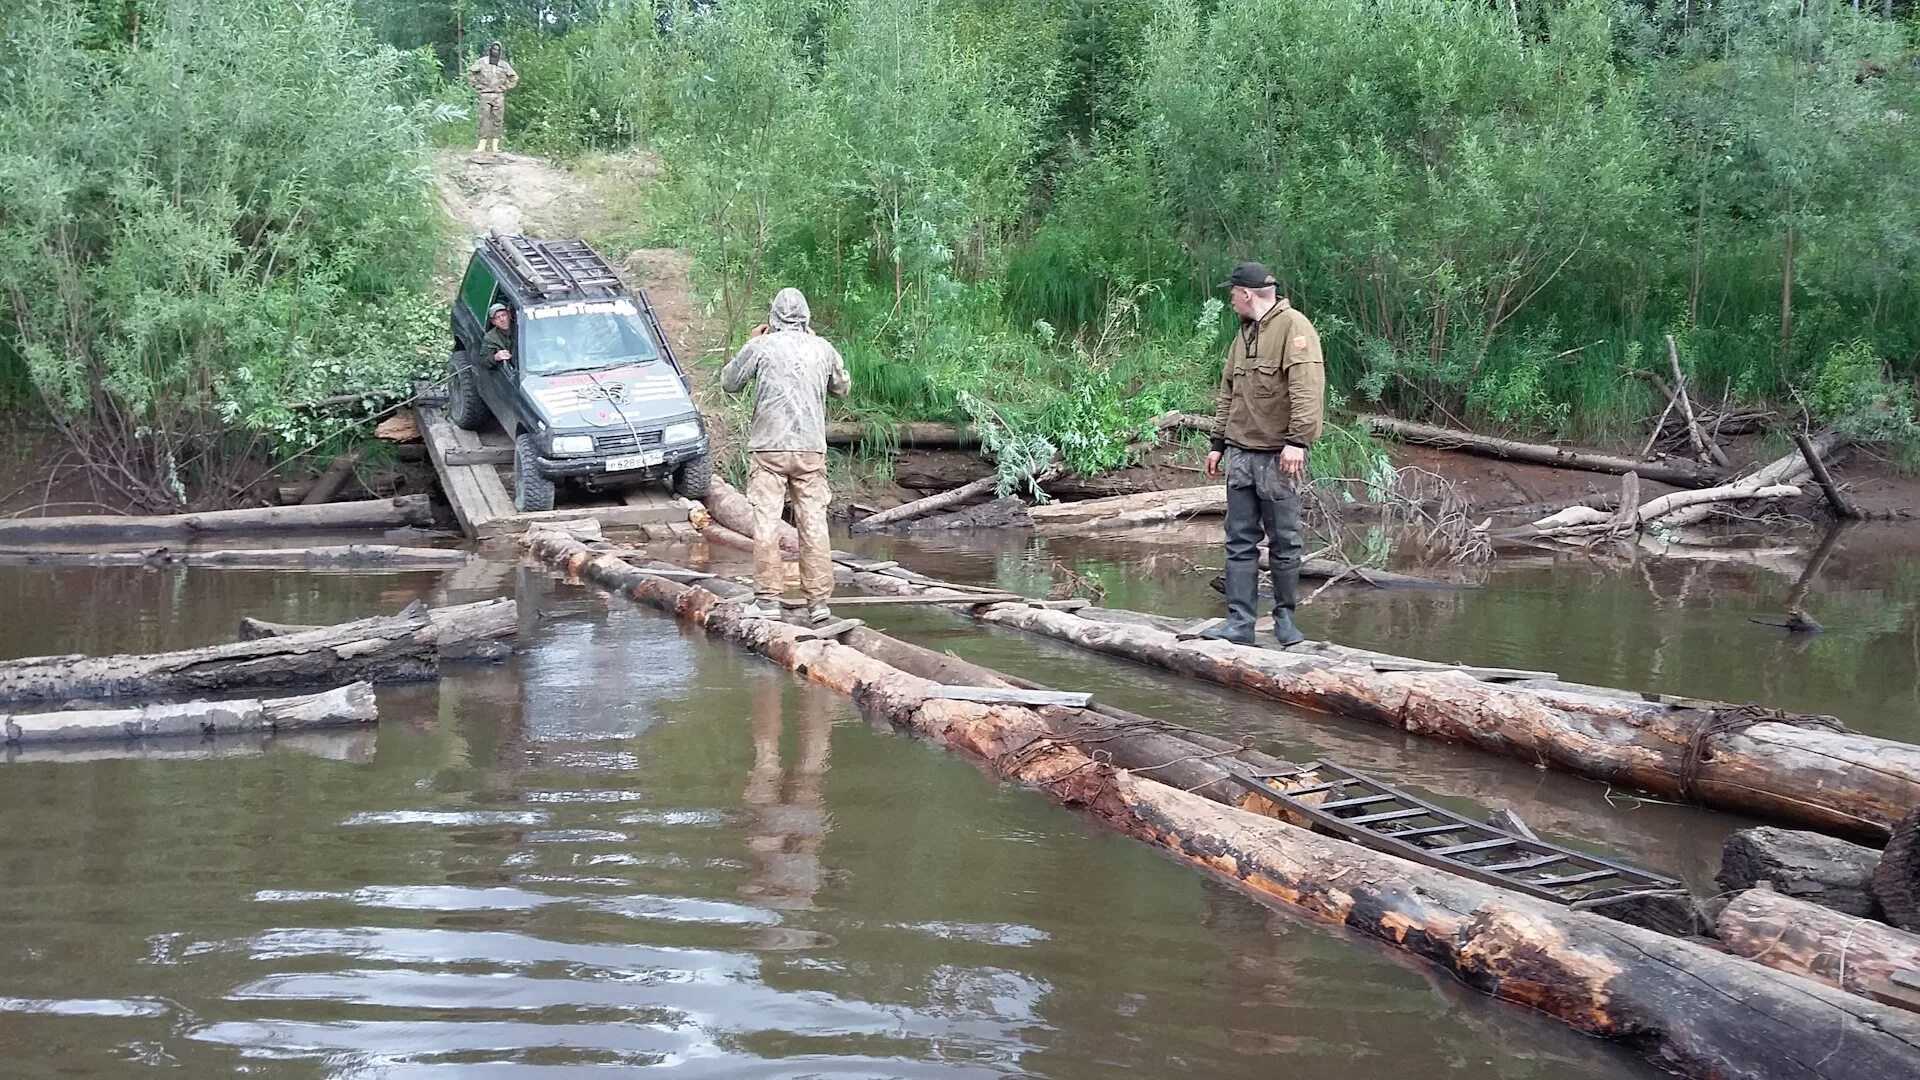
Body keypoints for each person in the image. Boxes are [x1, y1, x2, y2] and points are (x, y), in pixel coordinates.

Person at [1201, 261, 1326, 647]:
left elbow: (1308, 390)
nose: (1231, 301)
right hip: (1240, 454)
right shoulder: (1243, 335)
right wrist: (1217, 443)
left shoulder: (1295, 328)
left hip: (1278, 457)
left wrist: (1298, 442)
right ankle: (1240, 622)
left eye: (1232, 294)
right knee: (1238, 540)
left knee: (1284, 541)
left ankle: (1284, 621)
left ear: (1247, 293)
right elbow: (1228, 392)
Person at [720, 288, 851, 626]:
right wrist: (819, 347)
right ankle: (819, 604)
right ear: (806, 317)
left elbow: (729, 382)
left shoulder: (760, 346)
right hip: (811, 450)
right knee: (814, 524)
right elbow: (842, 388)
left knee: (766, 521)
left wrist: (749, 342)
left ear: (772, 318)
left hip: (768, 449)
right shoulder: (822, 348)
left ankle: (766, 601)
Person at [466, 41, 518, 155]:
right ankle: (481, 144)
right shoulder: (482, 62)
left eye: (498, 50)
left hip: (498, 95)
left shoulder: (503, 64)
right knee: (483, 119)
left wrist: (504, 87)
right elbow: (470, 73)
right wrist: (477, 86)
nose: (495, 51)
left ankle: (495, 145)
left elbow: (514, 77)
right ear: (490, 50)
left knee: (498, 119)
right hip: (485, 94)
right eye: (494, 49)